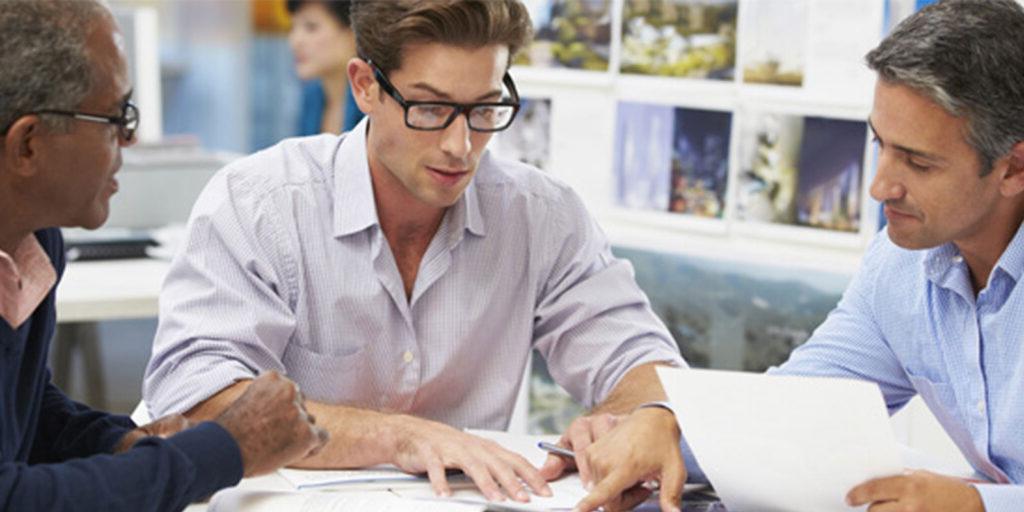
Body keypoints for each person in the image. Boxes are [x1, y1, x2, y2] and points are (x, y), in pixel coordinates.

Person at [143, 0, 687, 510]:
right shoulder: (260, 203)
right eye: (430, 109)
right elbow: (196, 395)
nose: (460, 144)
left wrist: (641, 415)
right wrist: (398, 435)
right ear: (365, 87)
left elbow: (643, 361)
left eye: (485, 109)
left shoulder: (540, 214)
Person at [0, 1, 328, 510]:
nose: (130, 138)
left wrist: (121, 441)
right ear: (27, 146)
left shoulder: (33, 242)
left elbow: (26, 415)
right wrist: (223, 450)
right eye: (115, 116)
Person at [765, 1, 1024, 510]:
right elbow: (799, 408)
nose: (880, 187)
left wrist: (979, 506)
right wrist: (660, 426)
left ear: (1014, 168)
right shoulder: (901, 262)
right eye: (880, 143)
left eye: (918, 163)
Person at [287, 0, 363, 134]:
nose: (295, 41)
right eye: (292, 28)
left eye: (311, 28)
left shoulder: (376, 102)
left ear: (352, 33)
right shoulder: (311, 97)